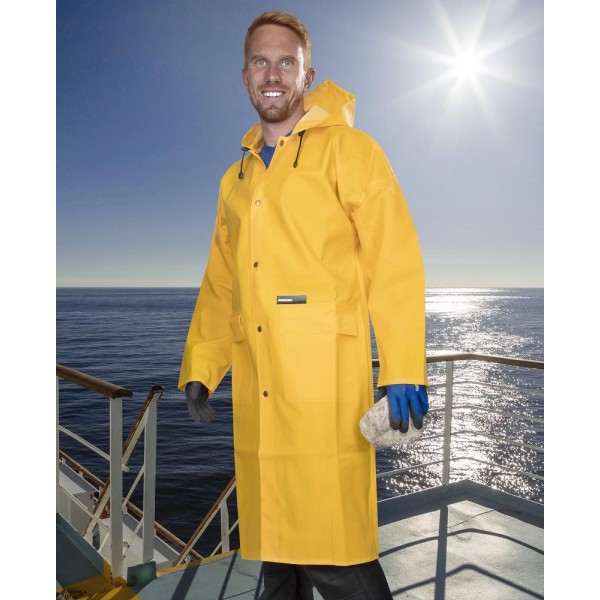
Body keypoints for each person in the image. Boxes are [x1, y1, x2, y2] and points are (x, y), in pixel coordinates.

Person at [179, 11, 429, 600]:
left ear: (306, 75)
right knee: (278, 565)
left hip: (325, 392)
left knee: (337, 559)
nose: (273, 74)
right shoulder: (234, 179)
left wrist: (402, 369)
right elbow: (220, 283)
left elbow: (393, 261)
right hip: (260, 390)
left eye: (286, 62)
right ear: (245, 76)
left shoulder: (351, 151)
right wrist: (202, 366)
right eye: (260, 62)